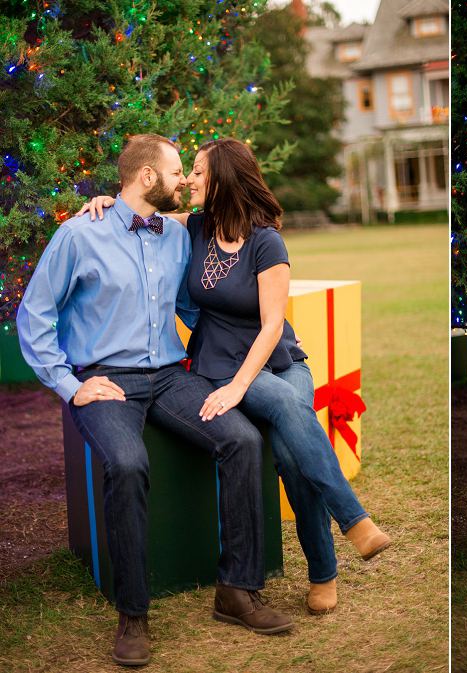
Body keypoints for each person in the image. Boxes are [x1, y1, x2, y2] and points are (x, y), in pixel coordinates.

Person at [80, 137, 390, 618]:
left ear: (222, 177)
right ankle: (353, 525)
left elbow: (272, 327)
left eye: (197, 171)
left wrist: (240, 387)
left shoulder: (268, 241)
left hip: (280, 362)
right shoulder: (195, 227)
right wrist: (103, 199)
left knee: (290, 448)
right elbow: (138, 209)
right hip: (220, 364)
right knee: (290, 418)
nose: (188, 180)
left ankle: (324, 569)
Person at [18, 134, 293, 668]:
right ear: (147, 178)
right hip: (106, 379)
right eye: (175, 174)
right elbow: (34, 317)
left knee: (240, 438)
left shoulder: (177, 233)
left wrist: (263, 345)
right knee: (126, 462)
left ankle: (236, 591)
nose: (185, 183)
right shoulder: (80, 233)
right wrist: (71, 385)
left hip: (170, 376)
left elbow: (198, 305)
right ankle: (134, 614)